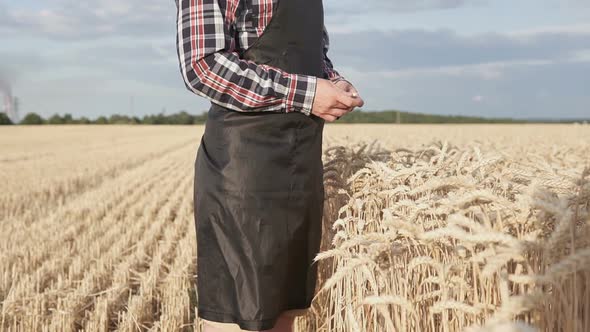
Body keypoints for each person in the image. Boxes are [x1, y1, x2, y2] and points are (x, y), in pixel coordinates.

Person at [174, 0, 364, 331]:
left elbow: (314, 54)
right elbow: (203, 67)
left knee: (284, 312)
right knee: (241, 313)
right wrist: (308, 94)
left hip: (302, 163)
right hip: (243, 172)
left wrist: (332, 82)